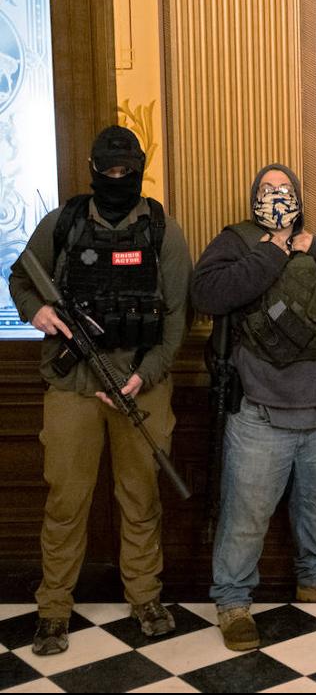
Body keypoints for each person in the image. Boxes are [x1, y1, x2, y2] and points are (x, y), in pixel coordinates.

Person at [8, 126, 190, 655]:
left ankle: (146, 599)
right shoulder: (62, 223)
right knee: (66, 501)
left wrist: (143, 375)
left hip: (139, 386)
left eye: (125, 171)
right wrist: (35, 311)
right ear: (92, 170)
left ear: (138, 170)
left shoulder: (161, 230)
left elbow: (176, 318)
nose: (116, 178)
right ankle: (53, 610)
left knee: (141, 497)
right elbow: (21, 277)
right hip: (72, 387)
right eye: (108, 171)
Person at [191, 163, 316, 650]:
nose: (277, 195)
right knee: (246, 512)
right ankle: (232, 601)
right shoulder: (237, 240)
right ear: (254, 196)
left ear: (299, 197)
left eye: (285, 188)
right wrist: (272, 250)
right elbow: (207, 293)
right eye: (268, 188)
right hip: (260, 408)